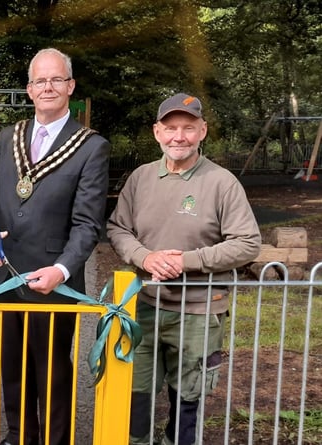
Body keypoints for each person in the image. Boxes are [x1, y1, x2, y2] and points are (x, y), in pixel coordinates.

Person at [0, 48, 111, 445]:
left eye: (56, 79)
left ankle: (56, 440)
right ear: (29, 89)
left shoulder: (90, 146)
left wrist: (62, 270)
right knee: (12, 365)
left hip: (53, 277)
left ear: (70, 86)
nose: (48, 87)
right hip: (7, 272)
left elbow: (87, 223)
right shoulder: (9, 136)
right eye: (40, 81)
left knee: (52, 370)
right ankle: (19, 436)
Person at [106, 93, 261, 445]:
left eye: (188, 128)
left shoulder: (222, 183)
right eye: (171, 128)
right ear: (157, 132)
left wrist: (185, 262)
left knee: (187, 397)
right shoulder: (141, 178)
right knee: (136, 391)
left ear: (202, 131)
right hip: (142, 306)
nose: (180, 136)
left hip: (199, 310)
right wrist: (144, 257)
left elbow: (248, 243)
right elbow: (117, 228)